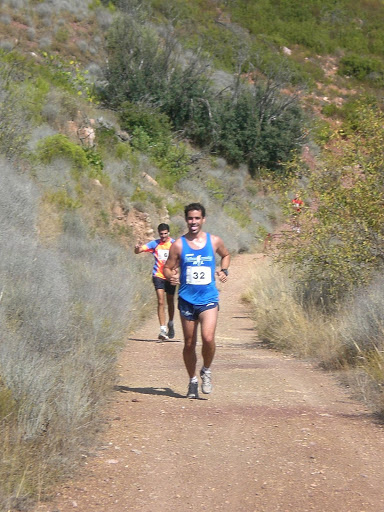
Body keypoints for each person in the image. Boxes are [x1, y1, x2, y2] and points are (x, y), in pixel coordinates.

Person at [163, 203, 230, 399]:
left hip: (208, 298)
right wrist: (170, 276)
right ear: (186, 220)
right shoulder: (179, 244)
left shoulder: (214, 241)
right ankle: (192, 380)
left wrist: (224, 270)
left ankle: (206, 371)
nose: (193, 222)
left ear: (203, 219)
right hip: (186, 299)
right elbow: (168, 267)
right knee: (189, 343)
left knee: (208, 338)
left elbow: (226, 255)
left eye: (197, 218)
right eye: (190, 218)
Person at [135, 223, 176, 341]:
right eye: (161, 234)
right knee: (160, 301)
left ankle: (171, 323)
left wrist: (176, 271)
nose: (163, 236)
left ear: (168, 233)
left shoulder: (174, 244)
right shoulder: (155, 244)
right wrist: (137, 248)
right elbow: (139, 250)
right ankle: (162, 329)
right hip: (158, 275)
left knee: (170, 301)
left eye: (165, 233)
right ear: (159, 233)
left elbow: (181, 257)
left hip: (170, 276)